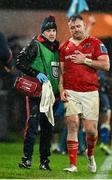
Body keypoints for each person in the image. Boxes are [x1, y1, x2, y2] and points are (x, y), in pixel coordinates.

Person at [59, 14, 110, 173]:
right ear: (69, 28)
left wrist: (85, 60)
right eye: (72, 27)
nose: (75, 29)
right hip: (70, 91)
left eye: (78, 26)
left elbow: (106, 65)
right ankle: (73, 165)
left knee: (91, 131)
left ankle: (90, 154)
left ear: (83, 26)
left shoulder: (95, 43)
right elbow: (61, 72)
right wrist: (61, 89)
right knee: (72, 124)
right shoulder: (64, 47)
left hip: (90, 92)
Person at [16, 15, 59, 170]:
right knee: (33, 126)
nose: (52, 33)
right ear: (43, 32)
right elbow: (19, 61)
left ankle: (44, 162)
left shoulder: (57, 48)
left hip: (52, 96)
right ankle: (27, 159)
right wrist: (35, 73)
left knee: (47, 130)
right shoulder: (35, 44)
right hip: (36, 94)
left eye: (54, 30)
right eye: (48, 30)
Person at [98, 70, 111, 155]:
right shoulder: (102, 63)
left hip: (90, 94)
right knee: (106, 119)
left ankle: (84, 147)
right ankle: (104, 143)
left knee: (87, 120)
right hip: (101, 94)